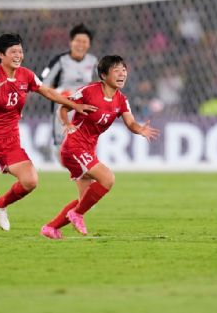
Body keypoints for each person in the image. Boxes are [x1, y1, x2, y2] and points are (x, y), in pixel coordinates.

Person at [0, 33, 97, 241]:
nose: (18, 55)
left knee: (30, 181)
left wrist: (73, 104)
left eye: (20, 51)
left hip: (10, 141)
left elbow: (47, 92)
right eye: (13, 51)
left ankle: (0, 204)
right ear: (0, 55)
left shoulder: (27, 75)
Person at [41, 55, 160, 239]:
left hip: (87, 148)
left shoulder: (121, 100)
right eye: (116, 70)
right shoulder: (89, 91)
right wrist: (67, 124)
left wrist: (140, 129)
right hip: (74, 146)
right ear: (104, 75)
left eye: (124, 70)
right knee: (107, 178)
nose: (122, 74)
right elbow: (63, 108)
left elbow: (131, 123)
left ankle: (51, 228)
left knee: (85, 200)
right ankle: (76, 214)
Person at [40, 24, 98, 152]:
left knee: (87, 150)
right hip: (62, 109)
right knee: (63, 149)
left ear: (89, 45)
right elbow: (42, 83)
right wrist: (60, 94)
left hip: (84, 111)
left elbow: (101, 84)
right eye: (77, 41)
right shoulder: (59, 60)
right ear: (71, 42)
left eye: (84, 42)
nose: (80, 45)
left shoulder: (93, 62)